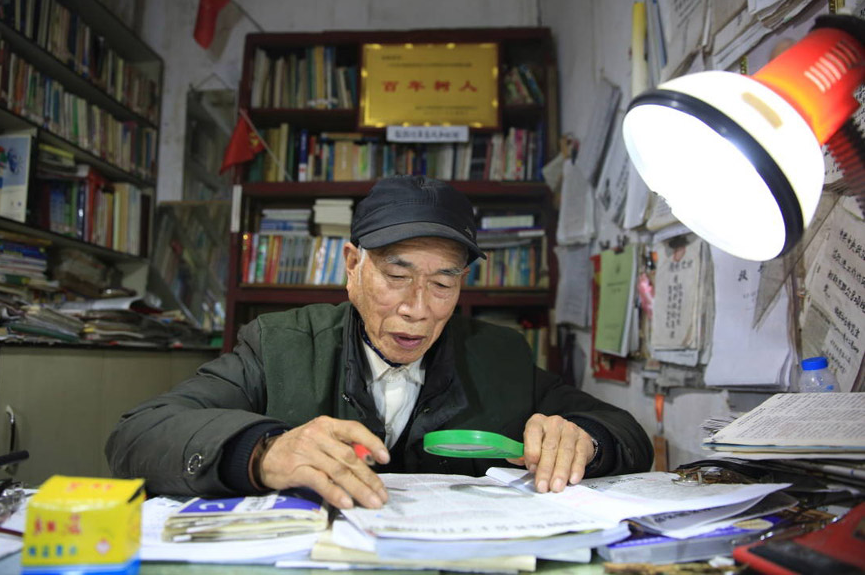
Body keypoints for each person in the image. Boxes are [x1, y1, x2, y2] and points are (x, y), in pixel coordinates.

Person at [106, 176, 652, 509]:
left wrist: (587, 440)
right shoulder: (281, 344)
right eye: (397, 275)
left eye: (444, 283)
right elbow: (138, 433)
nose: (418, 307)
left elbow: (628, 432)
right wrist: (262, 452)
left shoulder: (499, 355)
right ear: (352, 267)